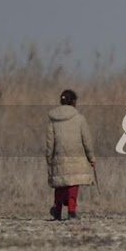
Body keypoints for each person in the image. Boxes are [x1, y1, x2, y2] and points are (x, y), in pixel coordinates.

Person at [45, 89, 96, 220]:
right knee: (73, 184)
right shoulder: (80, 119)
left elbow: (50, 142)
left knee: (60, 184)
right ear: (74, 102)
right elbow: (87, 140)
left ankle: (57, 209)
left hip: (59, 156)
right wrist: (91, 157)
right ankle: (72, 211)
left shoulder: (53, 120)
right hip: (77, 157)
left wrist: (49, 158)